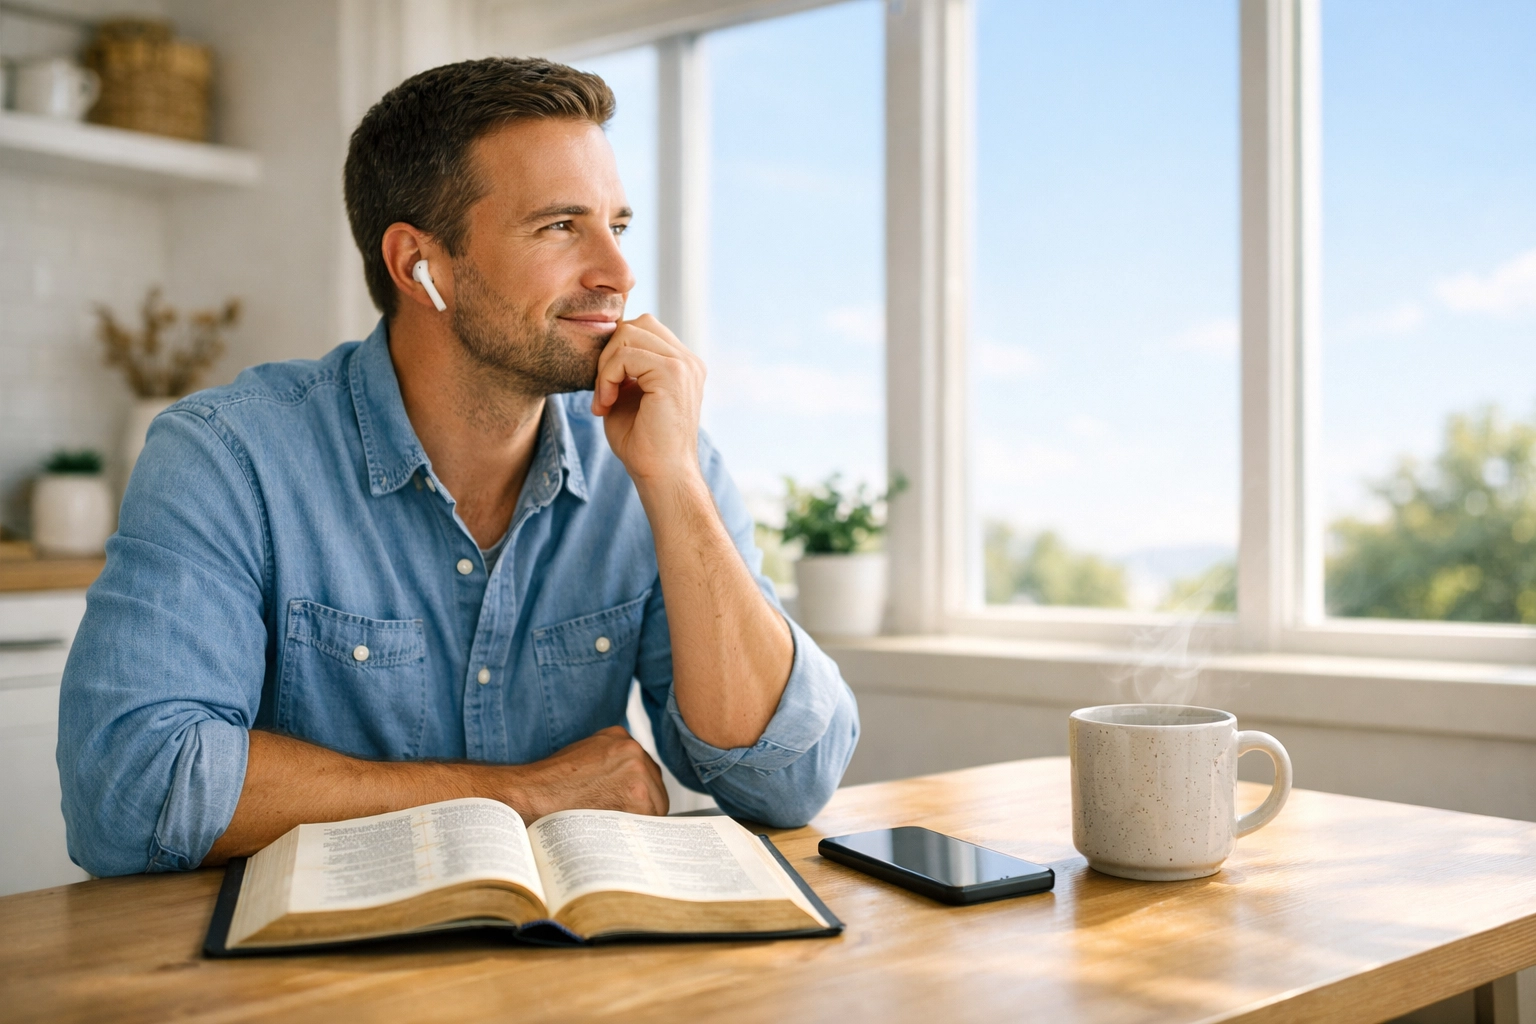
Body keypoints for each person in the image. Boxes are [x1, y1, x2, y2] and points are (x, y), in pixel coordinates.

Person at [56, 57, 859, 876]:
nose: (618, 274)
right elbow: (129, 791)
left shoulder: (654, 454)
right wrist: (523, 795)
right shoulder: (228, 457)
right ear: (418, 266)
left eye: (616, 227)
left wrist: (676, 484)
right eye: (558, 226)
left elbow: (788, 782)